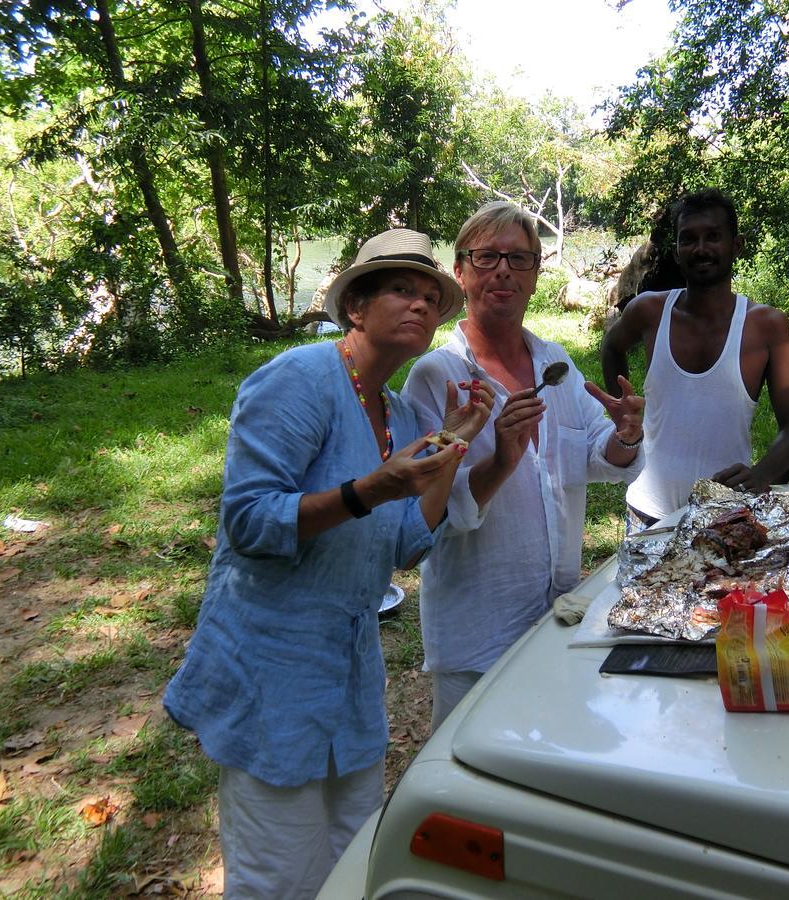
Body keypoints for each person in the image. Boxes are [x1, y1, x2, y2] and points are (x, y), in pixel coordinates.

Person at [163, 228, 494, 899]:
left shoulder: (399, 415)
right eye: (403, 289)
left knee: (354, 863)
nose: (421, 305)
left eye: (431, 296)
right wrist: (367, 489)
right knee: (277, 878)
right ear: (356, 308)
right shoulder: (298, 381)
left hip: (349, 678)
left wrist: (453, 447)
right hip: (273, 675)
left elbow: (404, 542)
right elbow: (250, 521)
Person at [402, 201, 645, 731]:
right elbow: (428, 512)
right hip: (477, 624)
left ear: (536, 276)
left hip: (558, 611)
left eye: (519, 259)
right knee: (469, 763)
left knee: (550, 744)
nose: (503, 271)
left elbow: (598, 454)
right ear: (460, 272)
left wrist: (625, 435)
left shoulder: (552, 362)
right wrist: (503, 458)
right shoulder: (437, 376)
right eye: (487, 257)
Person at [600, 188, 789, 531]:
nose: (701, 249)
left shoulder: (766, 326)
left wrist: (762, 475)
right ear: (677, 251)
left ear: (736, 245)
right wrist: (622, 407)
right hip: (647, 511)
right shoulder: (650, 310)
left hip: (723, 517)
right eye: (689, 239)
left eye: (713, 237)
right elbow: (612, 346)